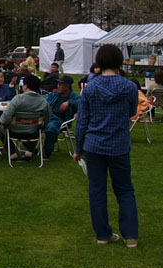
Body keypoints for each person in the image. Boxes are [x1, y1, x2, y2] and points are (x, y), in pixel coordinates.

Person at [73, 44, 139, 248]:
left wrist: (78, 148)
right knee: (125, 190)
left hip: (94, 145)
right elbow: (131, 111)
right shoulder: (129, 87)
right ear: (120, 61)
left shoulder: (91, 87)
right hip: (118, 144)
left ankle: (102, 234)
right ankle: (130, 236)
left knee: (97, 190)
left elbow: (82, 120)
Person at [0, 74, 50, 161]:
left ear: (25, 86)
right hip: (33, 132)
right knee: (39, 127)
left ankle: (12, 152)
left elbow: (6, 116)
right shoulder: (43, 101)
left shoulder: (17, 99)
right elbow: (47, 117)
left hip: (14, 132)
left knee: (1, 129)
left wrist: (5, 124)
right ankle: (30, 151)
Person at [43, 75, 82, 159]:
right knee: (29, 124)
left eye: (61, 84)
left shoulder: (74, 97)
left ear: (67, 86)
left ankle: (47, 151)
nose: (58, 86)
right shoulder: (55, 94)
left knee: (51, 127)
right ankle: (30, 149)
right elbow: (44, 99)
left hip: (61, 120)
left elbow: (82, 102)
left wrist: (69, 103)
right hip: (48, 116)